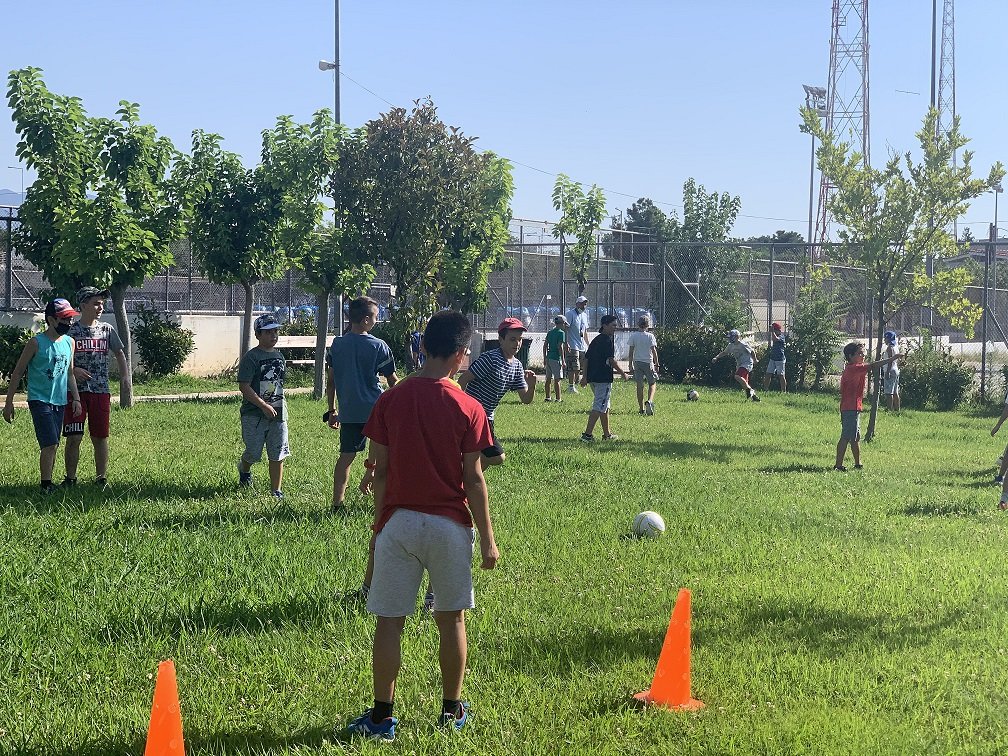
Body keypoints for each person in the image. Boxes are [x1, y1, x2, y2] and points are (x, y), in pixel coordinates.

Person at [346, 310, 498, 741]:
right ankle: (451, 711)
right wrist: (488, 540)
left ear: (423, 347)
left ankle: (381, 717)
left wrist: (379, 527)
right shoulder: (469, 406)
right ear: (460, 355)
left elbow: (380, 470)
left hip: (399, 523)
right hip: (450, 527)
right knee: (451, 620)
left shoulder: (389, 400)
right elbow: (474, 478)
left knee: (389, 622)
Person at [3, 298, 82, 494]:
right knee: (49, 443)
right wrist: (9, 402)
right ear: (51, 320)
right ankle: (45, 485)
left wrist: (77, 398)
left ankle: (49, 481)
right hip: (39, 400)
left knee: (54, 442)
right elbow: (18, 372)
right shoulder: (36, 343)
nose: (68, 323)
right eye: (64, 318)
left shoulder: (69, 342)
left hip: (60, 400)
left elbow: (70, 373)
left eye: (70, 318)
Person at [327, 296, 398, 507]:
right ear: (366, 320)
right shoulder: (379, 346)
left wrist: (332, 410)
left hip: (349, 413)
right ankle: (378, 498)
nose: (377, 320)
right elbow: (392, 380)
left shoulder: (337, 345)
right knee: (380, 457)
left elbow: (331, 382)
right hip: (376, 410)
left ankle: (337, 503)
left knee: (346, 458)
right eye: (376, 316)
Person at [62, 286, 131, 488]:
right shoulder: (70, 332)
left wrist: (125, 378)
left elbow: (120, 353)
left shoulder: (106, 330)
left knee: (100, 436)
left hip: (101, 391)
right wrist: (74, 372)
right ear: (83, 306)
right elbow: (60, 360)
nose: (100, 307)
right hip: (75, 392)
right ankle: (70, 478)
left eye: (102, 303)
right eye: (96, 303)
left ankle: (101, 478)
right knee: (74, 436)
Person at [456, 317, 536, 468]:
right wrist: (461, 408)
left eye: (519, 339)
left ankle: (466, 480)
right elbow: (463, 379)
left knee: (490, 456)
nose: (517, 343)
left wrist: (531, 386)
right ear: (501, 339)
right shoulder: (490, 359)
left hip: (487, 418)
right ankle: (465, 469)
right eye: (512, 339)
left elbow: (525, 399)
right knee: (497, 457)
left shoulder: (517, 366)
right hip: (473, 415)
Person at [237, 313, 289, 498]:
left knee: (277, 452)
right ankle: (244, 468)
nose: (273, 335)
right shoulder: (252, 357)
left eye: (275, 331)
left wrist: (274, 406)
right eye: (268, 332)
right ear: (258, 335)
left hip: (278, 414)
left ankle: (276, 490)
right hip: (254, 414)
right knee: (253, 451)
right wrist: (262, 405)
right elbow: (244, 386)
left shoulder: (280, 357)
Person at [835, 340, 900, 471]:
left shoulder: (854, 367)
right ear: (850, 356)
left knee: (856, 437)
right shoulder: (854, 368)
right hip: (850, 408)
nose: (863, 356)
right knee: (846, 437)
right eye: (860, 354)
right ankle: (838, 465)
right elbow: (873, 366)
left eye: (863, 353)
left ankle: (858, 463)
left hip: (854, 407)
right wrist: (891, 359)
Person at [580, 314, 630, 441]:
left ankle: (607, 435)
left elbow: (586, 359)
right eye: (613, 325)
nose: (615, 328)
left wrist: (585, 376)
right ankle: (587, 435)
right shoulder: (607, 340)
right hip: (603, 379)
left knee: (604, 406)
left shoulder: (596, 340)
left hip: (593, 378)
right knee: (599, 406)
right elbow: (611, 361)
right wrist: (623, 373)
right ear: (604, 325)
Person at [712, 329, 760, 402]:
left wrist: (755, 360)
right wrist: (716, 357)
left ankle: (750, 390)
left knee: (737, 376)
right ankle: (754, 397)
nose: (729, 339)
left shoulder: (743, 344)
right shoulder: (731, 345)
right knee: (745, 384)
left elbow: (752, 351)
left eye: (731, 337)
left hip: (747, 363)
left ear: (737, 337)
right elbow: (725, 352)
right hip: (740, 364)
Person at [627, 315, 660, 415]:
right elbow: (654, 351)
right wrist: (657, 364)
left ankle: (641, 408)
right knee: (652, 383)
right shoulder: (650, 336)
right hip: (648, 362)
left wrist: (630, 365)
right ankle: (649, 401)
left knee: (639, 385)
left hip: (637, 362)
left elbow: (631, 351)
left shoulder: (634, 336)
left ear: (638, 324)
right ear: (648, 325)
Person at [565, 295, 590, 392]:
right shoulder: (570, 314)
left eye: (585, 304)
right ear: (577, 304)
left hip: (582, 345)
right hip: (572, 345)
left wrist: (588, 344)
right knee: (574, 367)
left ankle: (574, 385)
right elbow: (566, 329)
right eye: (582, 303)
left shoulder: (584, 315)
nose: (584, 305)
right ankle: (571, 386)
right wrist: (566, 342)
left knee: (580, 367)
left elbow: (585, 331)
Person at [542, 314, 568, 403]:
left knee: (548, 379)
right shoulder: (561, 333)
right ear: (563, 323)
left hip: (549, 357)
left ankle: (548, 397)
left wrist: (545, 358)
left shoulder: (550, 332)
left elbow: (545, 345)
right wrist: (563, 360)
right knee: (557, 379)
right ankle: (558, 398)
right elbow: (560, 347)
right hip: (556, 358)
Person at [763, 321, 787, 393]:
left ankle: (783, 391)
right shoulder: (774, 334)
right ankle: (765, 390)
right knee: (768, 374)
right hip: (773, 358)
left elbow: (775, 339)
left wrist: (772, 331)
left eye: (774, 330)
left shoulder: (781, 336)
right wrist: (772, 332)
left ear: (777, 330)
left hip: (780, 359)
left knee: (781, 375)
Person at [883, 330, 900, 411]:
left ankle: (889, 409)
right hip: (896, 369)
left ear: (889, 339)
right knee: (895, 391)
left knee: (889, 392)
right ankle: (897, 409)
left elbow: (890, 361)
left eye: (885, 338)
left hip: (890, 370)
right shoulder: (896, 347)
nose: (884, 340)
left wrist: (887, 372)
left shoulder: (890, 348)